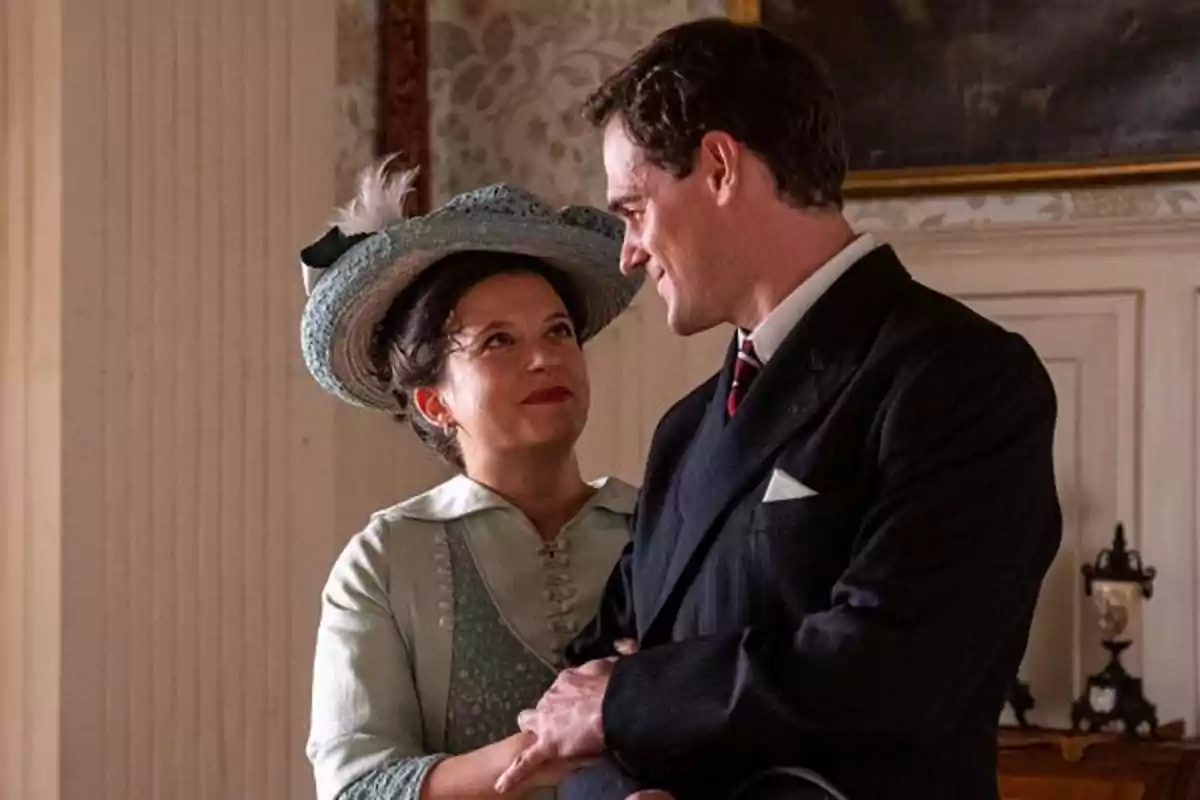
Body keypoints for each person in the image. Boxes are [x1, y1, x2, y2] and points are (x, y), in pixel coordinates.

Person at [495, 18, 1063, 800]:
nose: (627, 253)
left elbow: (894, 670)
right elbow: (587, 684)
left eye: (633, 209)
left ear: (721, 166)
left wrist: (633, 698)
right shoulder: (686, 429)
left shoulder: (964, 379)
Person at [300, 158, 645, 800]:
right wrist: (535, 753)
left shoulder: (660, 526)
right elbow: (355, 790)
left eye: (559, 332)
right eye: (498, 343)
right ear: (435, 404)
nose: (545, 358)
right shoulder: (385, 561)